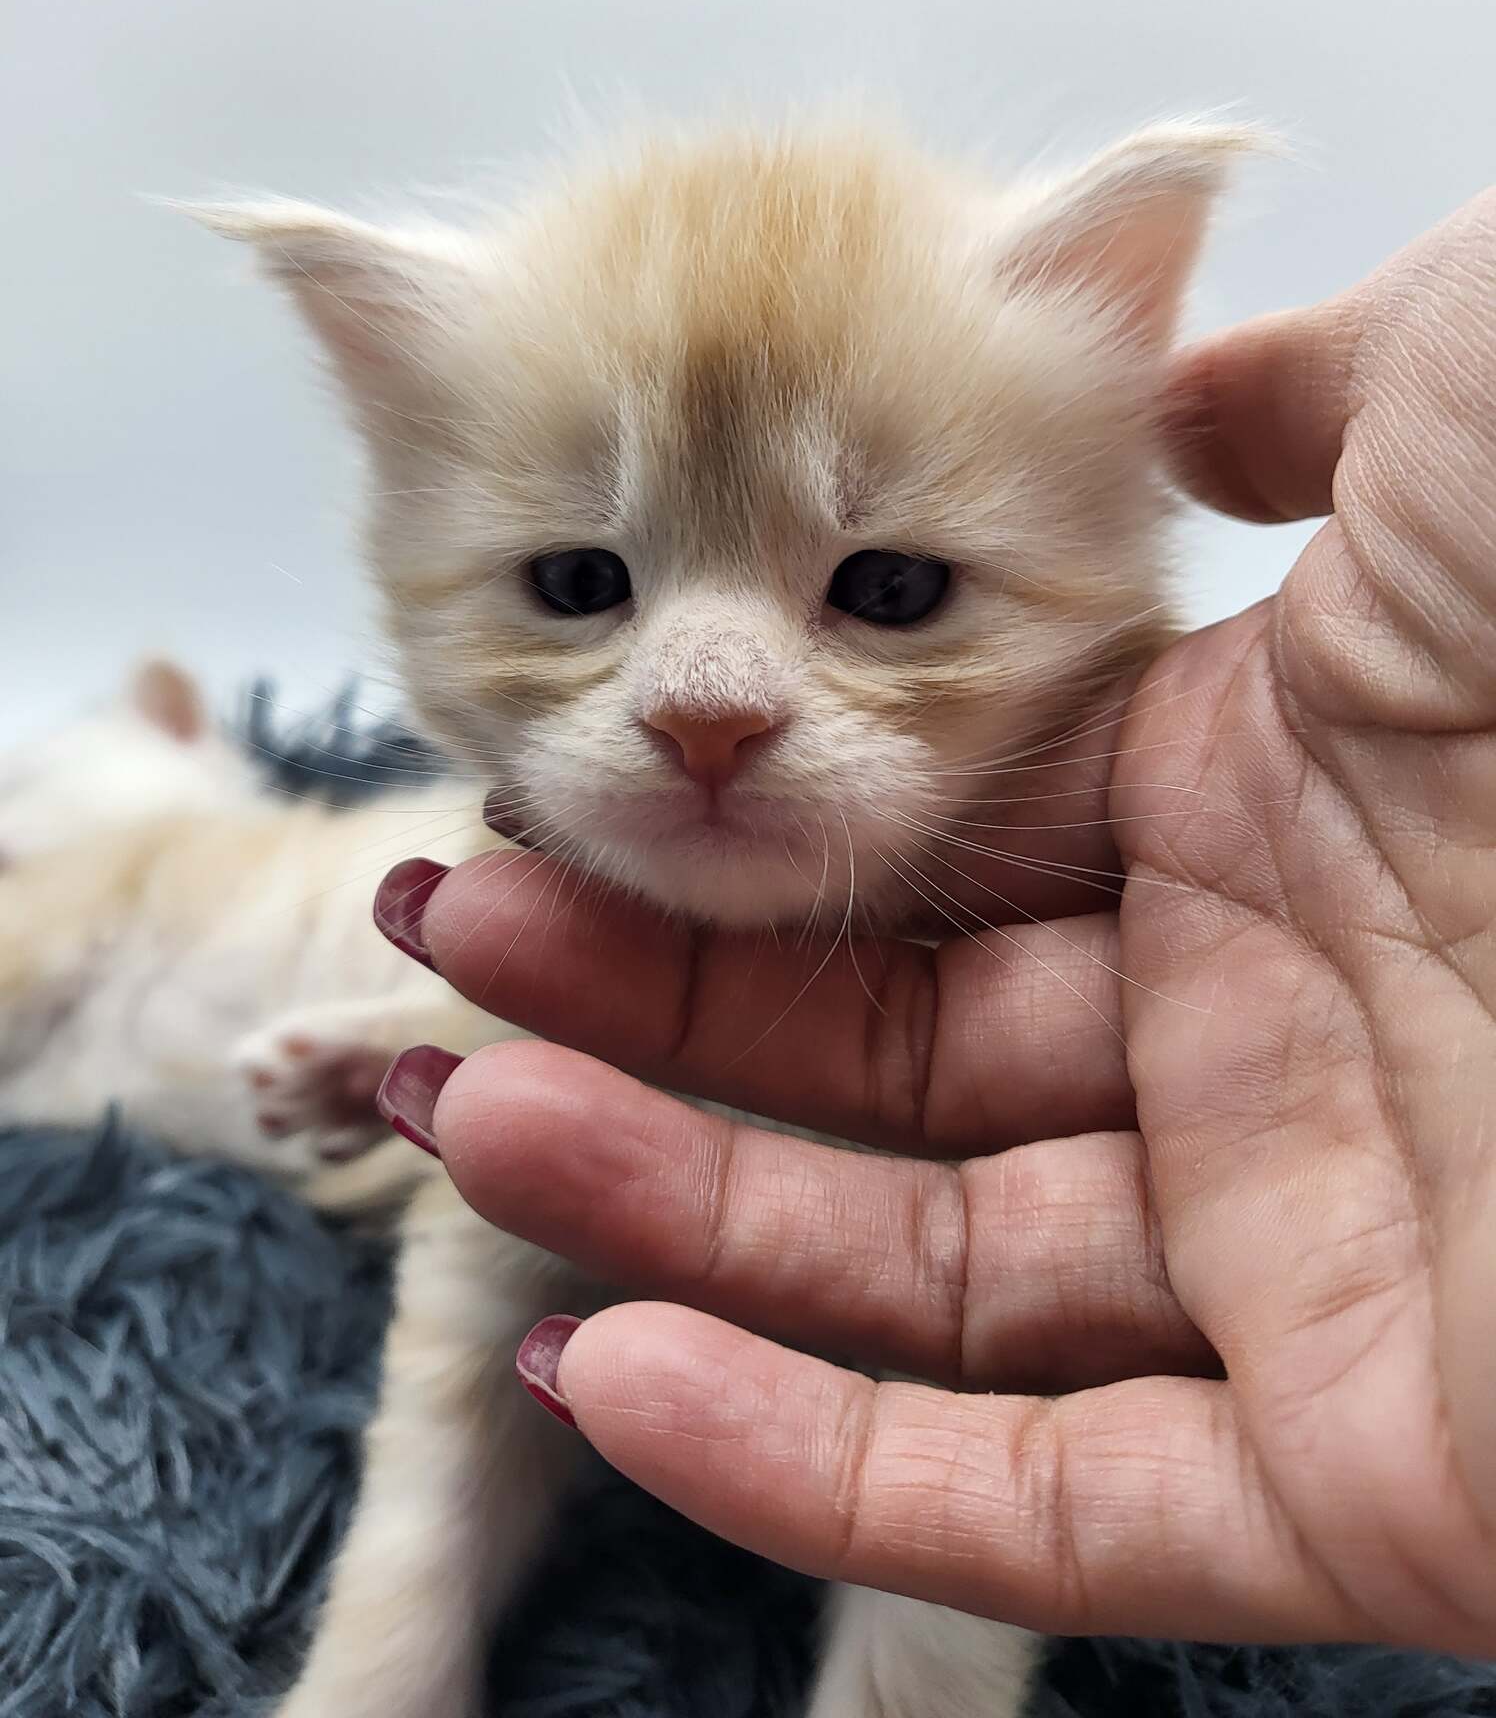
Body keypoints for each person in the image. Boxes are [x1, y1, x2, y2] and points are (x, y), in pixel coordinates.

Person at [373, 187, 1496, 1654]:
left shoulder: (1170, 955)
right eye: (582, 583)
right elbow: (471, 1306)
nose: (703, 700)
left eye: (889, 587)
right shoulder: (548, 911)